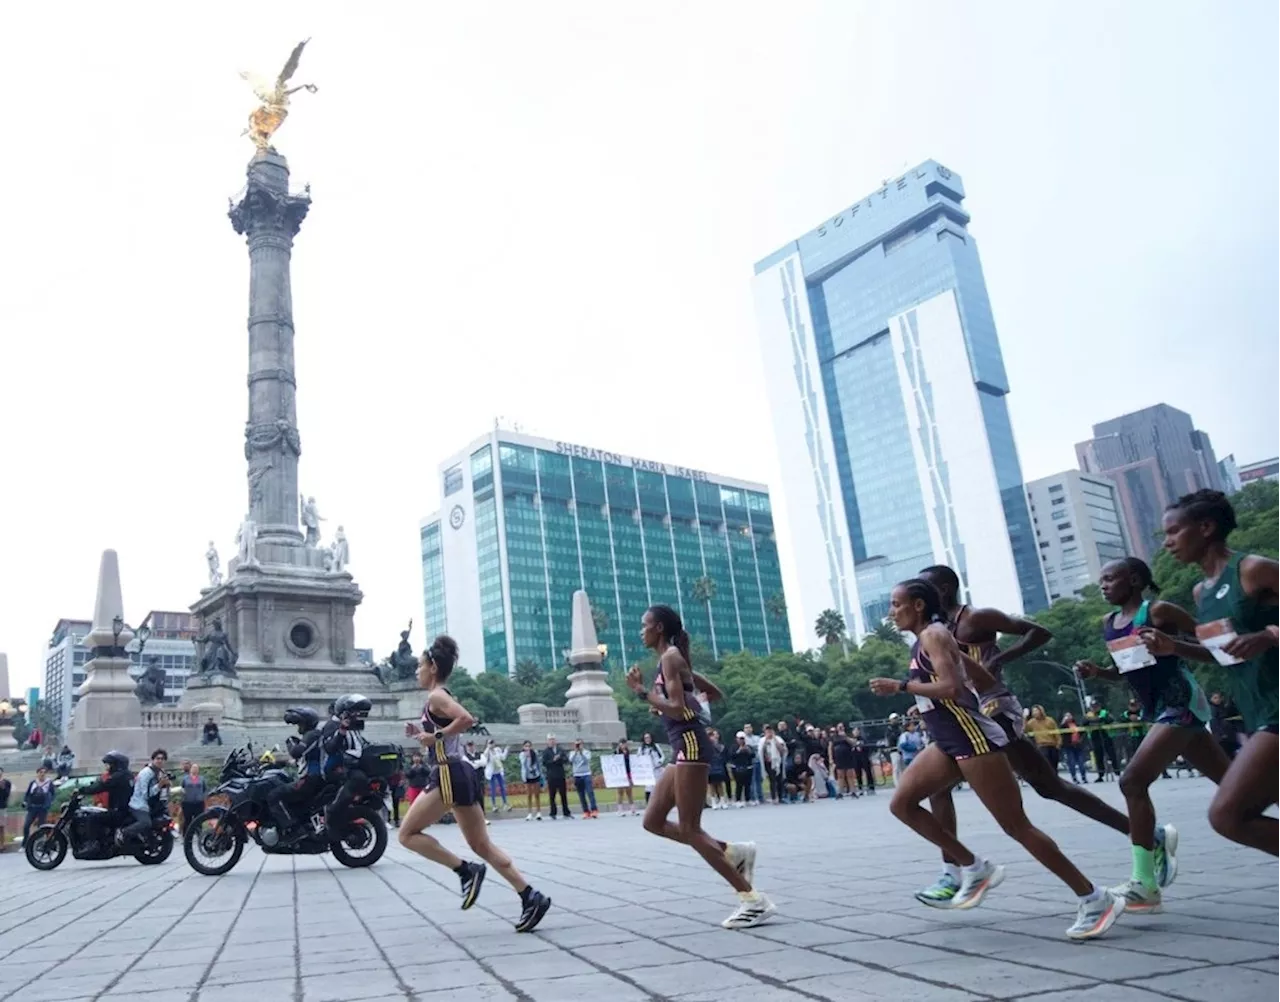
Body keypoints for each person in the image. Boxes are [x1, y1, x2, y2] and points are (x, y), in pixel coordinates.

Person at [869, 579, 1125, 939]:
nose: (891, 612)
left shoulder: (932, 636)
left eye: (896, 604)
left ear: (918, 605)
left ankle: (1095, 898)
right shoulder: (932, 638)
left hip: (972, 740)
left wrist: (902, 687)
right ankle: (973, 866)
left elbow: (954, 689)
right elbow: (975, 677)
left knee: (1017, 826)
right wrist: (960, 689)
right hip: (947, 741)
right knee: (902, 803)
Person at [1075, 555, 1231, 913]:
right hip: (1156, 711)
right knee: (1234, 782)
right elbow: (1126, 669)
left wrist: (1173, 646)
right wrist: (1098, 672)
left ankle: (1144, 884)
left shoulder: (1160, 612)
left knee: (1131, 781)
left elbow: (1216, 645)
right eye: (1101, 580)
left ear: (1132, 580)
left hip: (1181, 703)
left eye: (1110, 579)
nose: (1103, 586)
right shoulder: (1109, 622)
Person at [1144, 489, 1280, 859]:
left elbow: (1260, 640)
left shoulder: (1253, 570)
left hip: (1277, 715)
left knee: (1227, 816)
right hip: (1257, 711)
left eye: (1174, 532)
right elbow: (1222, 654)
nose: (1168, 543)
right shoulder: (1202, 593)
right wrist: (1174, 648)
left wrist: (1268, 636)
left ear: (1205, 527)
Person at [626, 604, 774, 928]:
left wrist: (643, 694)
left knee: (691, 829)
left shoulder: (669, 658)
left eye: (645, 625)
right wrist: (665, 706)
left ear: (659, 629)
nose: (641, 630)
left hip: (691, 746)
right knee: (652, 820)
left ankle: (752, 899)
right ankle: (734, 852)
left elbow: (679, 709)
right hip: (684, 746)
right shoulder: (673, 659)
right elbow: (711, 694)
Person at [398, 635, 552, 932]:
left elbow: (466, 719)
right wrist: (422, 733)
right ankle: (530, 895)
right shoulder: (440, 697)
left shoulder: (437, 696)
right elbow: (447, 731)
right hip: (461, 773)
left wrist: (435, 737)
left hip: (447, 775)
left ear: (432, 667)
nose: (416, 671)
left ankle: (465, 870)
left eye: (419, 665)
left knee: (406, 834)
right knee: (481, 844)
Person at [267, 706, 324, 839]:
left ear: (307, 723)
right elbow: (300, 759)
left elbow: (296, 752)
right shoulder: (311, 736)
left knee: (273, 796)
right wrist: (280, 762)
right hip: (312, 777)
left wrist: (290, 742)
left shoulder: (312, 735)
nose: (299, 727)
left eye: (300, 723)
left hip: (310, 779)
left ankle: (293, 829)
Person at [321, 695, 372, 830]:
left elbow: (360, 745)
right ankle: (332, 809)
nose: (357, 715)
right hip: (335, 766)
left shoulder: (354, 727)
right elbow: (330, 748)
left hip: (353, 764)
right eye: (354, 712)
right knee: (358, 778)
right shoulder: (332, 725)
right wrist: (342, 730)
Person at [119, 749, 169, 847]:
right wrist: (159, 785)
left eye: (162, 759)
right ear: (153, 760)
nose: (160, 761)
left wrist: (166, 786)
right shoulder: (146, 773)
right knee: (146, 823)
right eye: (157, 758)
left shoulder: (160, 772)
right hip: (139, 804)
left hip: (153, 805)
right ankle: (123, 833)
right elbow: (145, 794)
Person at [541, 735, 572, 819]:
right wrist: (553, 760)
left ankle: (566, 812)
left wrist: (560, 758)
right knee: (552, 795)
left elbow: (566, 760)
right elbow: (544, 763)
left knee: (563, 795)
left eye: (553, 739)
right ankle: (553, 813)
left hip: (560, 774)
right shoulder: (546, 751)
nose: (552, 741)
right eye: (550, 740)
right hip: (551, 775)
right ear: (547, 741)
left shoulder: (560, 750)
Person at [22, 766, 54, 843]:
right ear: (37, 773)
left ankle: (41, 843)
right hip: (32, 807)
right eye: (40, 772)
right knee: (26, 826)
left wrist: (48, 803)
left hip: (43, 808)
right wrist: (26, 802)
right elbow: (27, 794)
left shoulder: (49, 783)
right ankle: (24, 843)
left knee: (41, 826)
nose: (42, 774)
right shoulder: (33, 783)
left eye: (44, 772)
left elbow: (53, 794)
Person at [1023, 706, 1062, 771]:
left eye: (1036, 711)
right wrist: (1025, 718)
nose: (1034, 713)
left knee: (1054, 765)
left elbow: (1056, 732)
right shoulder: (1032, 722)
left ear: (1041, 711)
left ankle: (1055, 778)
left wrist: (1059, 743)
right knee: (1047, 764)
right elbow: (1025, 730)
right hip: (1042, 746)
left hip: (1053, 745)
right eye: (1033, 711)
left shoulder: (1050, 720)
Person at [758, 724, 787, 804]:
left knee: (779, 780)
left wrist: (774, 739)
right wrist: (766, 742)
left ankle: (781, 797)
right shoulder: (762, 740)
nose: (769, 733)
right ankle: (774, 797)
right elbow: (761, 751)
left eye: (770, 731)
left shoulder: (778, 739)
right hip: (768, 762)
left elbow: (782, 750)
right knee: (772, 780)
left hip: (778, 761)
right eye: (767, 731)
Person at [1209, 691, 1241, 761]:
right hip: (1223, 737)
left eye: (1218, 698)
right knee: (1229, 755)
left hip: (1228, 735)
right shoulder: (1213, 709)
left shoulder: (1221, 707)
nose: (1217, 699)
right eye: (1215, 698)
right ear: (1211, 699)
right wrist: (1221, 734)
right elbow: (1214, 723)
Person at [569, 739, 598, 817]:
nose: (578, 746)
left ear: (582, 744)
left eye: (580, 744)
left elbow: (587, 760)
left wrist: (581, 753)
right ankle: (586, 811)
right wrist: (576, 752)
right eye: (577, 744)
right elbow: (571, 760)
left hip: (586, 774)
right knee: (581, 794)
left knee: (590, 792)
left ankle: (594, 810)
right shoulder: (572, 753)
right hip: (577, 775)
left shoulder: (587, 752)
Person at [637, 732, 666, 803]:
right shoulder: (641, 749)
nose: (647, 739)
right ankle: (649, 804)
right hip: (648, 771)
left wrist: (660, 761)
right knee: (648, 788)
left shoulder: (656, 746)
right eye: (646, 738)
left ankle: (659, 802)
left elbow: (662, 756)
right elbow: (638, 758)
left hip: (656, 770)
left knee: (658, 787)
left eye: (648, 737)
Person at [728, 732, 754, 808]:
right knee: (739, 785)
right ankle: (738, 800)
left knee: (748, 785)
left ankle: (747, 800)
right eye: (740, 739)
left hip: (748, 767)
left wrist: (748, 750)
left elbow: (753, 755)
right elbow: (731, 756)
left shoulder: (748, 746)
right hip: (737, 768)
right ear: (737, 739)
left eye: (743, 739)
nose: (741, 740)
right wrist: (739, 750)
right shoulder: (733, 747)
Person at [1060, 712, 1089, 783]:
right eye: (1066, 716)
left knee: (1081, 762)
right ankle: (1074, 778)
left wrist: (1081, 740)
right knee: (1071, 763)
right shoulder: (1064, 726)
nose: (1068, 717)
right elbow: (1061, 732)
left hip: (1078, 746)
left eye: (1069, 715)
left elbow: (1083, 732)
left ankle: (1084, 777)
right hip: (1069, 746)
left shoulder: (1076, 724)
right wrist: (1063, 722)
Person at [519, 740, 543, 820]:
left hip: (535, 775)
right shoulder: (522, 755)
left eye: (529, 746)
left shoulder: (535, 753)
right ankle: (529, 813)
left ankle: (538, 812)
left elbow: (538, 764)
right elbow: (523, 764)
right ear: (523, 747)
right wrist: (526, 756)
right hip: (527, 776)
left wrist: (540, 774)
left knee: (537, 794)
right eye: (526, 746)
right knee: (529, 795)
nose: (528, 748)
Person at [484, 740, 510, 811]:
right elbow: (485, 757)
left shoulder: (497, 750)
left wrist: (506, 750)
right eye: (490, 743)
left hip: (498, 772)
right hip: (492, 773)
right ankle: (494, 805)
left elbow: (503, 757)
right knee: (493, 789)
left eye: (492, 743)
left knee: (502, 788)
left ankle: (505, 804)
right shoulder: (487, 752)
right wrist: (488, 748)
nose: (492, 744)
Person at [706, 728, 729, 808]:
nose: (711, 737)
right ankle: (713, 802)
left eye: (711, 735)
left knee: (720, 784)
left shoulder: (718, 744)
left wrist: (714, 743)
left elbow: (722, 750)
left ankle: (722, 801)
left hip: (718, 765)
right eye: (709, 735)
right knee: (711, 785)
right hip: (709, 765)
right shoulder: (705, 744)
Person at [181, 763, 207, 832]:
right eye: (193, 768)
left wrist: (202, 796)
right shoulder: (185, 778)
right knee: (187, 820)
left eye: (196, 768)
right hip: (187, 802)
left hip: (199, 803)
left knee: (199, 820)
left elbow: (204, 789)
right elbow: (182, 788)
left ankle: (199, 836)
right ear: (190, 769)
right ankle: (186, 837)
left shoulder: (202, 778)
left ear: (198, 770)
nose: (195, 769)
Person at [614, 739, 638, 816]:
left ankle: (632, 809)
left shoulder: (628, 752)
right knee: (620, 792)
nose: (624, 746)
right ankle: (620, 810)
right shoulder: (616, 752)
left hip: (628, 772)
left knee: (629, 791)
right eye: (622, 744)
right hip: (620, 773)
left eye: (625, 744)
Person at [741, 723, 763, 804]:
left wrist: (751, 747)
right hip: (750, 762)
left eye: (749, 727)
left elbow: (759, 747)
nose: (748, 729)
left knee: (759, 780)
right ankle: (753, 798)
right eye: (746, 728)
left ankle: (761, 798)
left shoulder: (757, 738)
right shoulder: (743, 739)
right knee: (752, 781)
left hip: (758, 760)